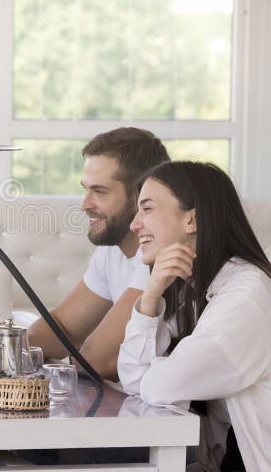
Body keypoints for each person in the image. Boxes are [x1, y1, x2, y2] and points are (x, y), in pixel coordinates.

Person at [119, 161, 271, 471]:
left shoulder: (246, 298)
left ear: (192, 219)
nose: (134, 224)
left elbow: (159, 388)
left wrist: (158, 365)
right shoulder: (200, 292)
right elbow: (134, 380)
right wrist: (150, 297)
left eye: (146, 209)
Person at [28, 127, 169, 380]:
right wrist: (6, 346)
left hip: (176, 415)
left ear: (142, 196)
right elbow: (64, 329)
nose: (85, 205)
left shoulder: (160, 255)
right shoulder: (113, 248)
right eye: (85, 189)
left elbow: (97, 360)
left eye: (100, 191)